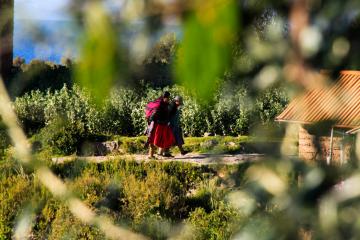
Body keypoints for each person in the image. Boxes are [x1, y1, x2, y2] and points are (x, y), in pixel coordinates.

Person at [147, 91, 175, 159]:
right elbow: (154, 115)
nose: (168, 99)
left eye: (168, 98)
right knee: (153, 139)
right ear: (164, 97)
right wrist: (151, 123)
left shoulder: (165, 104)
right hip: (157, 125)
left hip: (164, 124)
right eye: (167, 98)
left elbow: (167, 113)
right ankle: (151, 155)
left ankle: (164, 153)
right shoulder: (159, 105)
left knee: (167, 138)